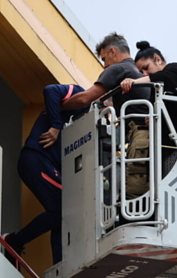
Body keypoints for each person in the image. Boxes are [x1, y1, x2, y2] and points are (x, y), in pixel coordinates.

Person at [59, 33, 151, 199]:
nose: (104, 65)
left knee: (132, 192)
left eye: (104, 59)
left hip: (138, 136)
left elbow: (86, 98)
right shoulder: (138, 72)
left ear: (113, 52)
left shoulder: (118, 69)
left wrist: (60, 106)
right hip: (145, 136)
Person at [4, 83, 86, 264]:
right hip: (37, 158)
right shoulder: (82, 97)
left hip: (50, 165)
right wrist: (56, 126)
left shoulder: (94, 122)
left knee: (64, 213)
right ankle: (13, 241)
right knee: (63, 208)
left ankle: (60, 265)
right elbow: (51, 90)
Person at [120, 41, 177, 175]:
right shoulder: (156, 90)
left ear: (157, 59)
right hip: (169, 148)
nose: (144, 74)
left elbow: (164, 78)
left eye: (146, 68)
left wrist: (134, 82)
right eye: (141, 72)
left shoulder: (176, 69)